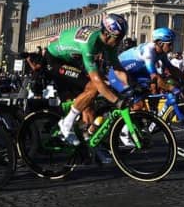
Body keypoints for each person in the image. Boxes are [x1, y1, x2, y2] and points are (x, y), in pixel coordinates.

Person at [46, 14, 130, 144]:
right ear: (107, 34)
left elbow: (118, 69)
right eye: (118, 38)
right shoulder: (90, 43)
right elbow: (97, 82)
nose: (120, 41)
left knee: (89, 104)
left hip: (72, 59)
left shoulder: (109, 43)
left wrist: (129, 88)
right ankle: (66, 123)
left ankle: (87, 142)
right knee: (94, 86)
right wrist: (117, 101)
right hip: (55, 59)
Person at [109, 27, 184, 95]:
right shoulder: (148, 52)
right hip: (117, 73)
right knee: (137, 102)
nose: (172, 47)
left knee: (153, 91)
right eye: (169, 44)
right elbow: (155, 76)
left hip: (135, 72)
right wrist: (172, 88)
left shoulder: (162, 53)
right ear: (160, 43)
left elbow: (171, 68)